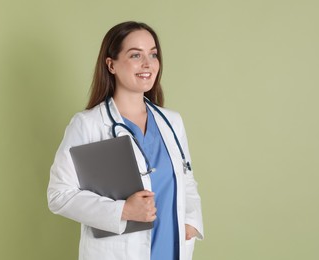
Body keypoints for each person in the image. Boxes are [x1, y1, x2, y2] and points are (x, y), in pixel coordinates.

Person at [47, 21, 204, 260]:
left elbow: (186, 177)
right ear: (111, 65)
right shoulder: (88, 124)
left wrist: (191, 221)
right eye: (135, 55)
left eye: (153, 54)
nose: (147, 64)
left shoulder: (171, 121)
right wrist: (123, 210)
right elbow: (59, 195)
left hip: (171, 249)